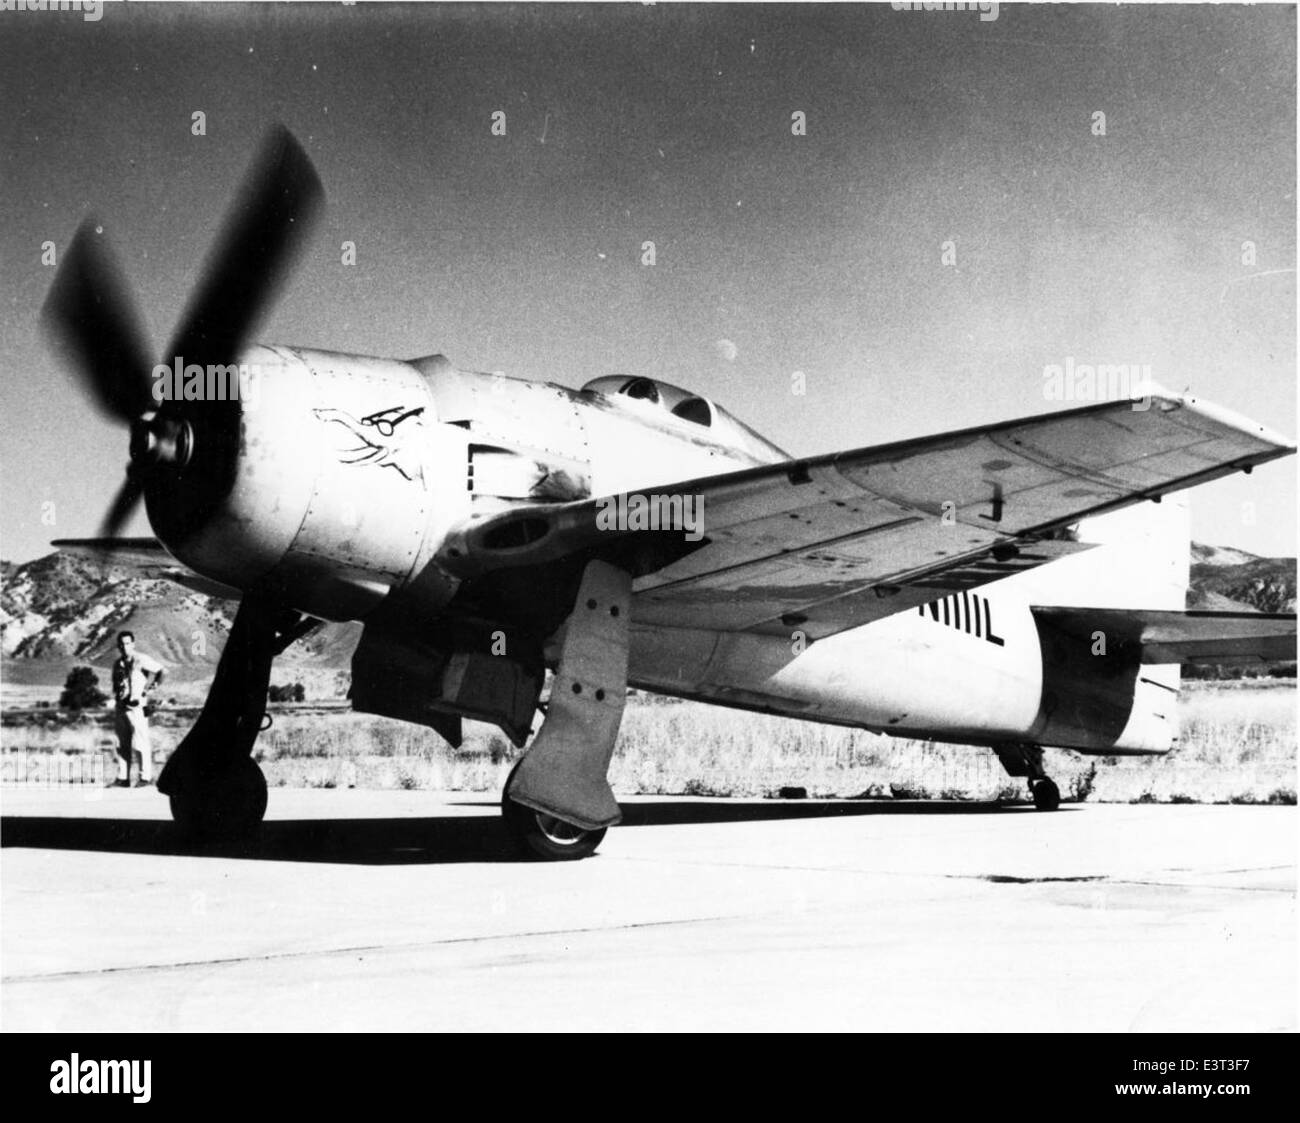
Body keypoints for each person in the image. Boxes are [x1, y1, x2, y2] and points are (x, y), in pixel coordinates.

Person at [110, 631, 164, 788]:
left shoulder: (141, 660)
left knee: (141, 742)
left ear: (133, 644)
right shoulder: (118, 664)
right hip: (122, 707)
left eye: (127, 643)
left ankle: (145, 777)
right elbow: (116, 683)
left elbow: (162, 671)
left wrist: (151, 688)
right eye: (121, 644)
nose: (124, 647)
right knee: (121, 743)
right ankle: (123, 778)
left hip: (138, 707)